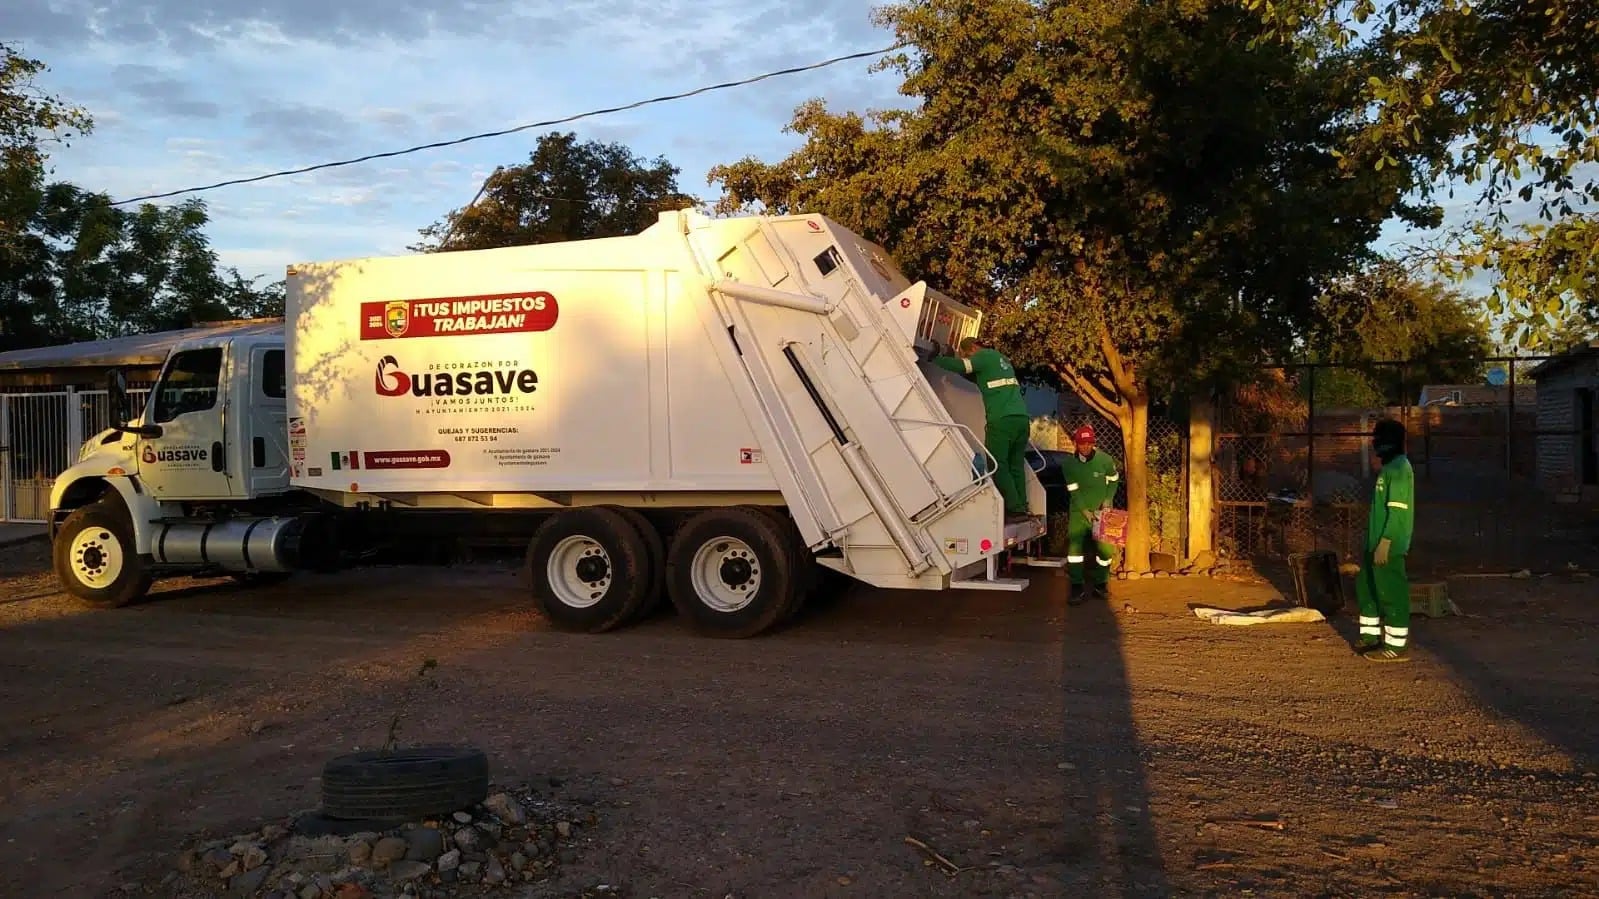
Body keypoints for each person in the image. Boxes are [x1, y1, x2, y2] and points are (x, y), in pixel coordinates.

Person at [932, 336, 1033, 522]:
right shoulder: (999, 359)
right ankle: (1022, 506)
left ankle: (1013, 508)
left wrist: (935, 358)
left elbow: (963, 367)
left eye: (965, 355)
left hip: (1001, 421)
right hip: (1021, 419)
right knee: (1015, 465)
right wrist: (952, 360)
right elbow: (973, 376)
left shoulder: (982, 357)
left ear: (970, 350)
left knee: (997, 464)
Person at [1358, 418, 1416, 662]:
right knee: (1367, 588)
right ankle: (1370, 636)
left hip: (1388, 545)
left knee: (1391, 591)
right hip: (1375, 542)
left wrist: (1386, 541)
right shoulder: (1390, 468)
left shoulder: (1400, 469)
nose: (1374, 444)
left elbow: (1398, 510)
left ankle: (1396, 645)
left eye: (1378, 439)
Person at [1058, 424, 1119, 604]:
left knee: (1106, 550)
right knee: (1075, 551)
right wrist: (1085, 512)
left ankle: (1101, 583)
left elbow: (1114, 480)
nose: (1085, 447)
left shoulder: (1105, 460)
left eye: (1088, 443)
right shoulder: (1069, 464)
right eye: (1081, 443)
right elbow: (1073, 490)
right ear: (1076, 444)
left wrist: (1108, 499)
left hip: (1103, 513)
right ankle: (1077, 586)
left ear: (1093, 443)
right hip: (1079, 513)